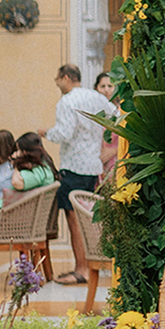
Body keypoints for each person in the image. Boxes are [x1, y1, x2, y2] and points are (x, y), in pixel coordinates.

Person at [38, 65, 107, 286]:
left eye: (57, 79)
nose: (57, 83)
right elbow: (115, 118)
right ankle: (90, 266)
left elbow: (64, 133)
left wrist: (46, 133)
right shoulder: (96, 97)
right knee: (90, 219)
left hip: (74, 166)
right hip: (93, 165)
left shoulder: (66, 101)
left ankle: (82, 269)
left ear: (66, 78)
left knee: (74, 220)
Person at [95, 71, 119, 187]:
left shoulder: (121, 112)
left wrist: (114, 151)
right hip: (95, 163)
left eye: (110, 86)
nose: (106, 90)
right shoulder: (92, 112)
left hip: (116, 163)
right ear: (96, 88)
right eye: (102, 86)